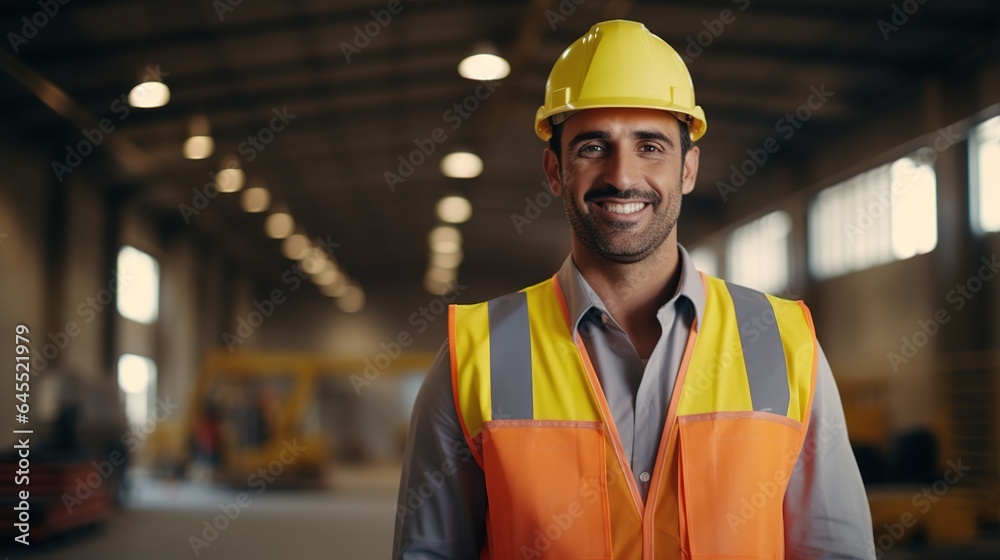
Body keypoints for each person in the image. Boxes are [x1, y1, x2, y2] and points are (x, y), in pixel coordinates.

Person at [393, 19, 875, 559]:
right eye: (593, 147)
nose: (622, 176)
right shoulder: (472, 355)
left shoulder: (787, 344)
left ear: (688, 168)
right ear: (554, 170)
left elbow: (837, 549)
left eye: (650, 146)